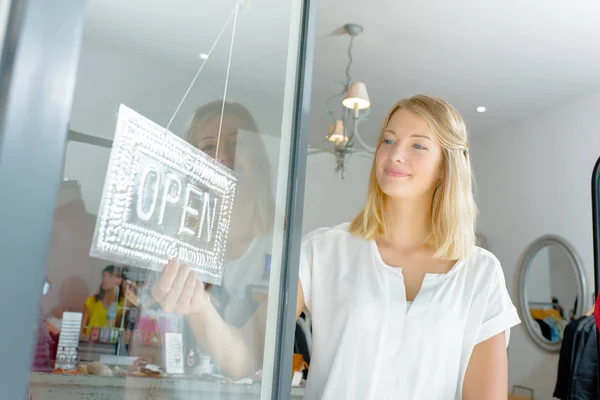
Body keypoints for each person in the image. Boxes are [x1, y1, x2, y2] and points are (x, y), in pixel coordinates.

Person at [150, 95, 521, 398]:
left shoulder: (480, 273)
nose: (395, 154)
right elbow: (246, 356)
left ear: (446, 167)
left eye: (418, 145)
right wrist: (198, 307)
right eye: (388, 140)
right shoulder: (323, 251)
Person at [143, 100, 275, 377]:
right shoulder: (171, 241)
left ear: (260, 156)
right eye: (207, 147)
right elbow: (146, 349)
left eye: (238, 142)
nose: (224, 156)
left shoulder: (281, 248)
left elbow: (249, 361)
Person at [81, 265, 126, 336]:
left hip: (109, 343)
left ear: (119, 280)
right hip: (89, 341)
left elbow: (119, 326)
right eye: (103, 276)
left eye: (110, 276)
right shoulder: (91, 301)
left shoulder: (124, 305)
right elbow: (82, 327)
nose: (105, 279)